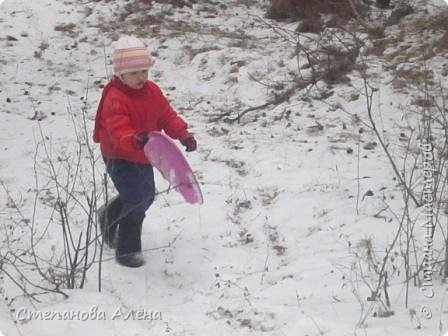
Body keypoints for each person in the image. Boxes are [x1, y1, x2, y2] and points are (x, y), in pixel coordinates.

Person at [93, 36, 197, 268]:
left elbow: (166, 115)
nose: (141, 77)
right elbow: (118, 132)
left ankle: (109, 214)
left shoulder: (152, 91)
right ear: (121, 75)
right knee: (136, 199)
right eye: (134, 73)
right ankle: (128, 249)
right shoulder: (115, 98)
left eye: (144, 71)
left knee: (146, 195)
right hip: (119, 156)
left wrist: (183, 134)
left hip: (145, 153)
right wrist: (134, 139)